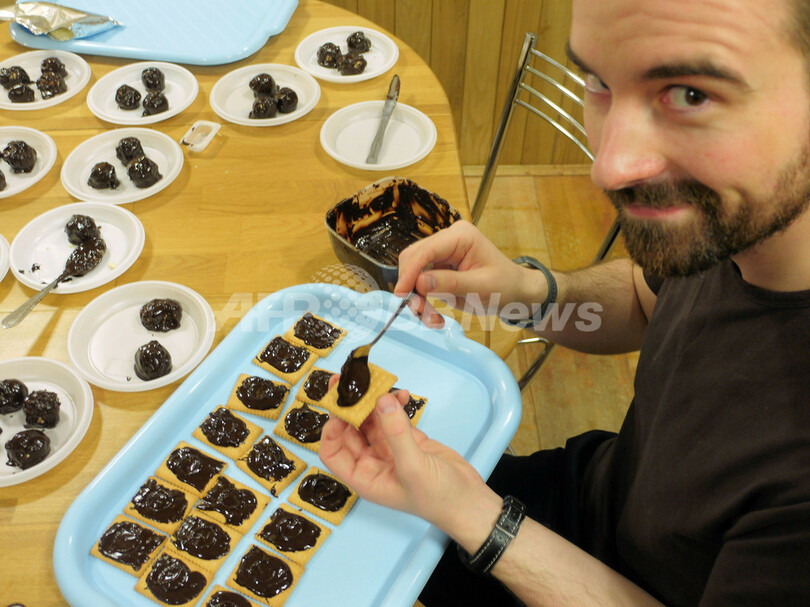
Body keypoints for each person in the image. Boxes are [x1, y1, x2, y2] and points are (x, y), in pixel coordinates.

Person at [319, 0, 810, 604]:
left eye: (689, 94)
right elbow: (643, 297)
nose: (609, 167)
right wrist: (524, 292)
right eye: (600, 81)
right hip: (592, 497)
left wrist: (479, 520)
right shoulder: (735, 224)